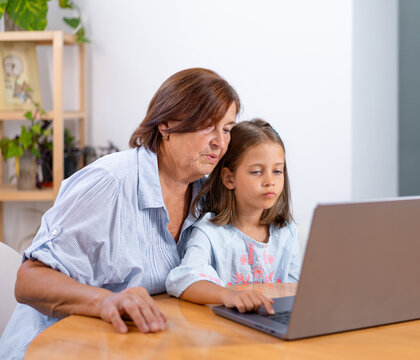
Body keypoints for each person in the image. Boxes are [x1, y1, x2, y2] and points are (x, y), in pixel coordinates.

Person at [0, 68, 240, 359]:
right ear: (165, 124)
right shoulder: (109, 183)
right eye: (208, 126)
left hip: (129, 347)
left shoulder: (205, 193)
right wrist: (105, 301)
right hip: (53, 348)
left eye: (226, 129)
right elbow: (29, 281)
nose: (220, 142)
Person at [166, 119, 301, 315]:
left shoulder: (286, 232)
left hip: (270, 327)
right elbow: (183, 278)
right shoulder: (210, 232)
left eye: (277, 171)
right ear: (229, 178)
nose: (270, 181)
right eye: (257, 172)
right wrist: (227, 295)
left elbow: (293, 289)